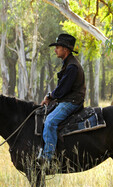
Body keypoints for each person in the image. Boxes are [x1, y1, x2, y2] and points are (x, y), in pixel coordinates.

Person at [38, 33, 86, 162]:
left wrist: (49, 96)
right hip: (68, 100)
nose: (55, 50)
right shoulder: (68, 63)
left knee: (50, 122)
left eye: (57, 47)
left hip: (71, 102)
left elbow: (62, 90)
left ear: (65, 49)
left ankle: (48, 158)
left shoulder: (72, 66)